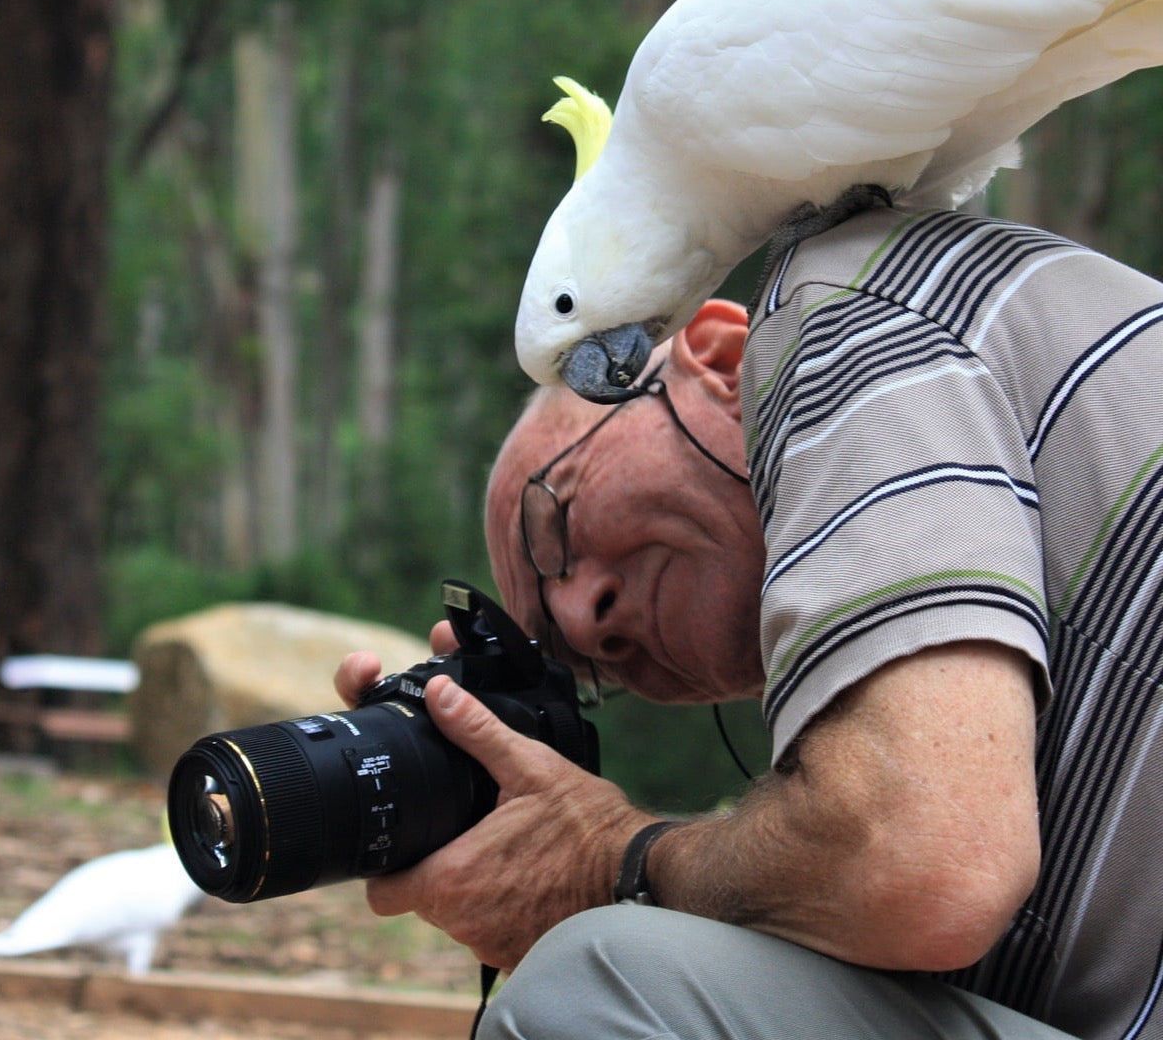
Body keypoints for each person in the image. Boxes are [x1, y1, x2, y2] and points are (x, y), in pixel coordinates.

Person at [336, 202, 1163, 1040]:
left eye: (560, 522)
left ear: (724, 360)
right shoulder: (926, 677)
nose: (587, 618)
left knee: (596, 983)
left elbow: (923, 866)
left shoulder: (839, 308)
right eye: (582, 664)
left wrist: (609, 865)